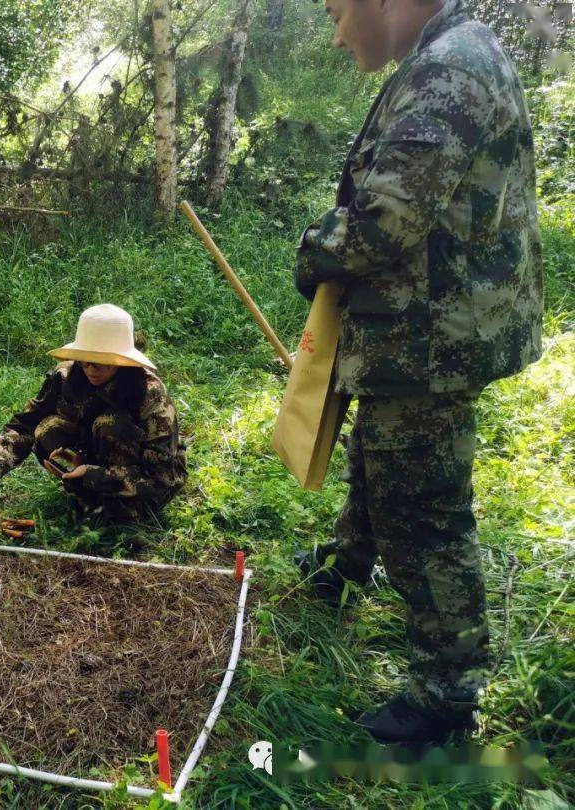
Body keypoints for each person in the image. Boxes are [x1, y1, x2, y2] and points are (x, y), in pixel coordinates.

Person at [293, 0, 543, 742]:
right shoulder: (444, 53)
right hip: (422, 329)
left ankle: (445, 693)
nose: (337, 34)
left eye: (339, 13)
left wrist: (314, 249)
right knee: (382, 454)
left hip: (435, 336)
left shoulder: (448, 67)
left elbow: (381, 225)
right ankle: (349, 561)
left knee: (424, 509)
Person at [0, 304, 186, 525]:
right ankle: (89, 498)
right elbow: (25, 425)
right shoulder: (65, 377)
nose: (91, 369)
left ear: (122, 361)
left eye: (102, 362)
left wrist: (96, 476)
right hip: (92, 464)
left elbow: (163, 476)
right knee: (47, 427)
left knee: (110, 425)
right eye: (85, 360)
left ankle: (126, 510)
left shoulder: (149, 393)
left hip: (144, 483)